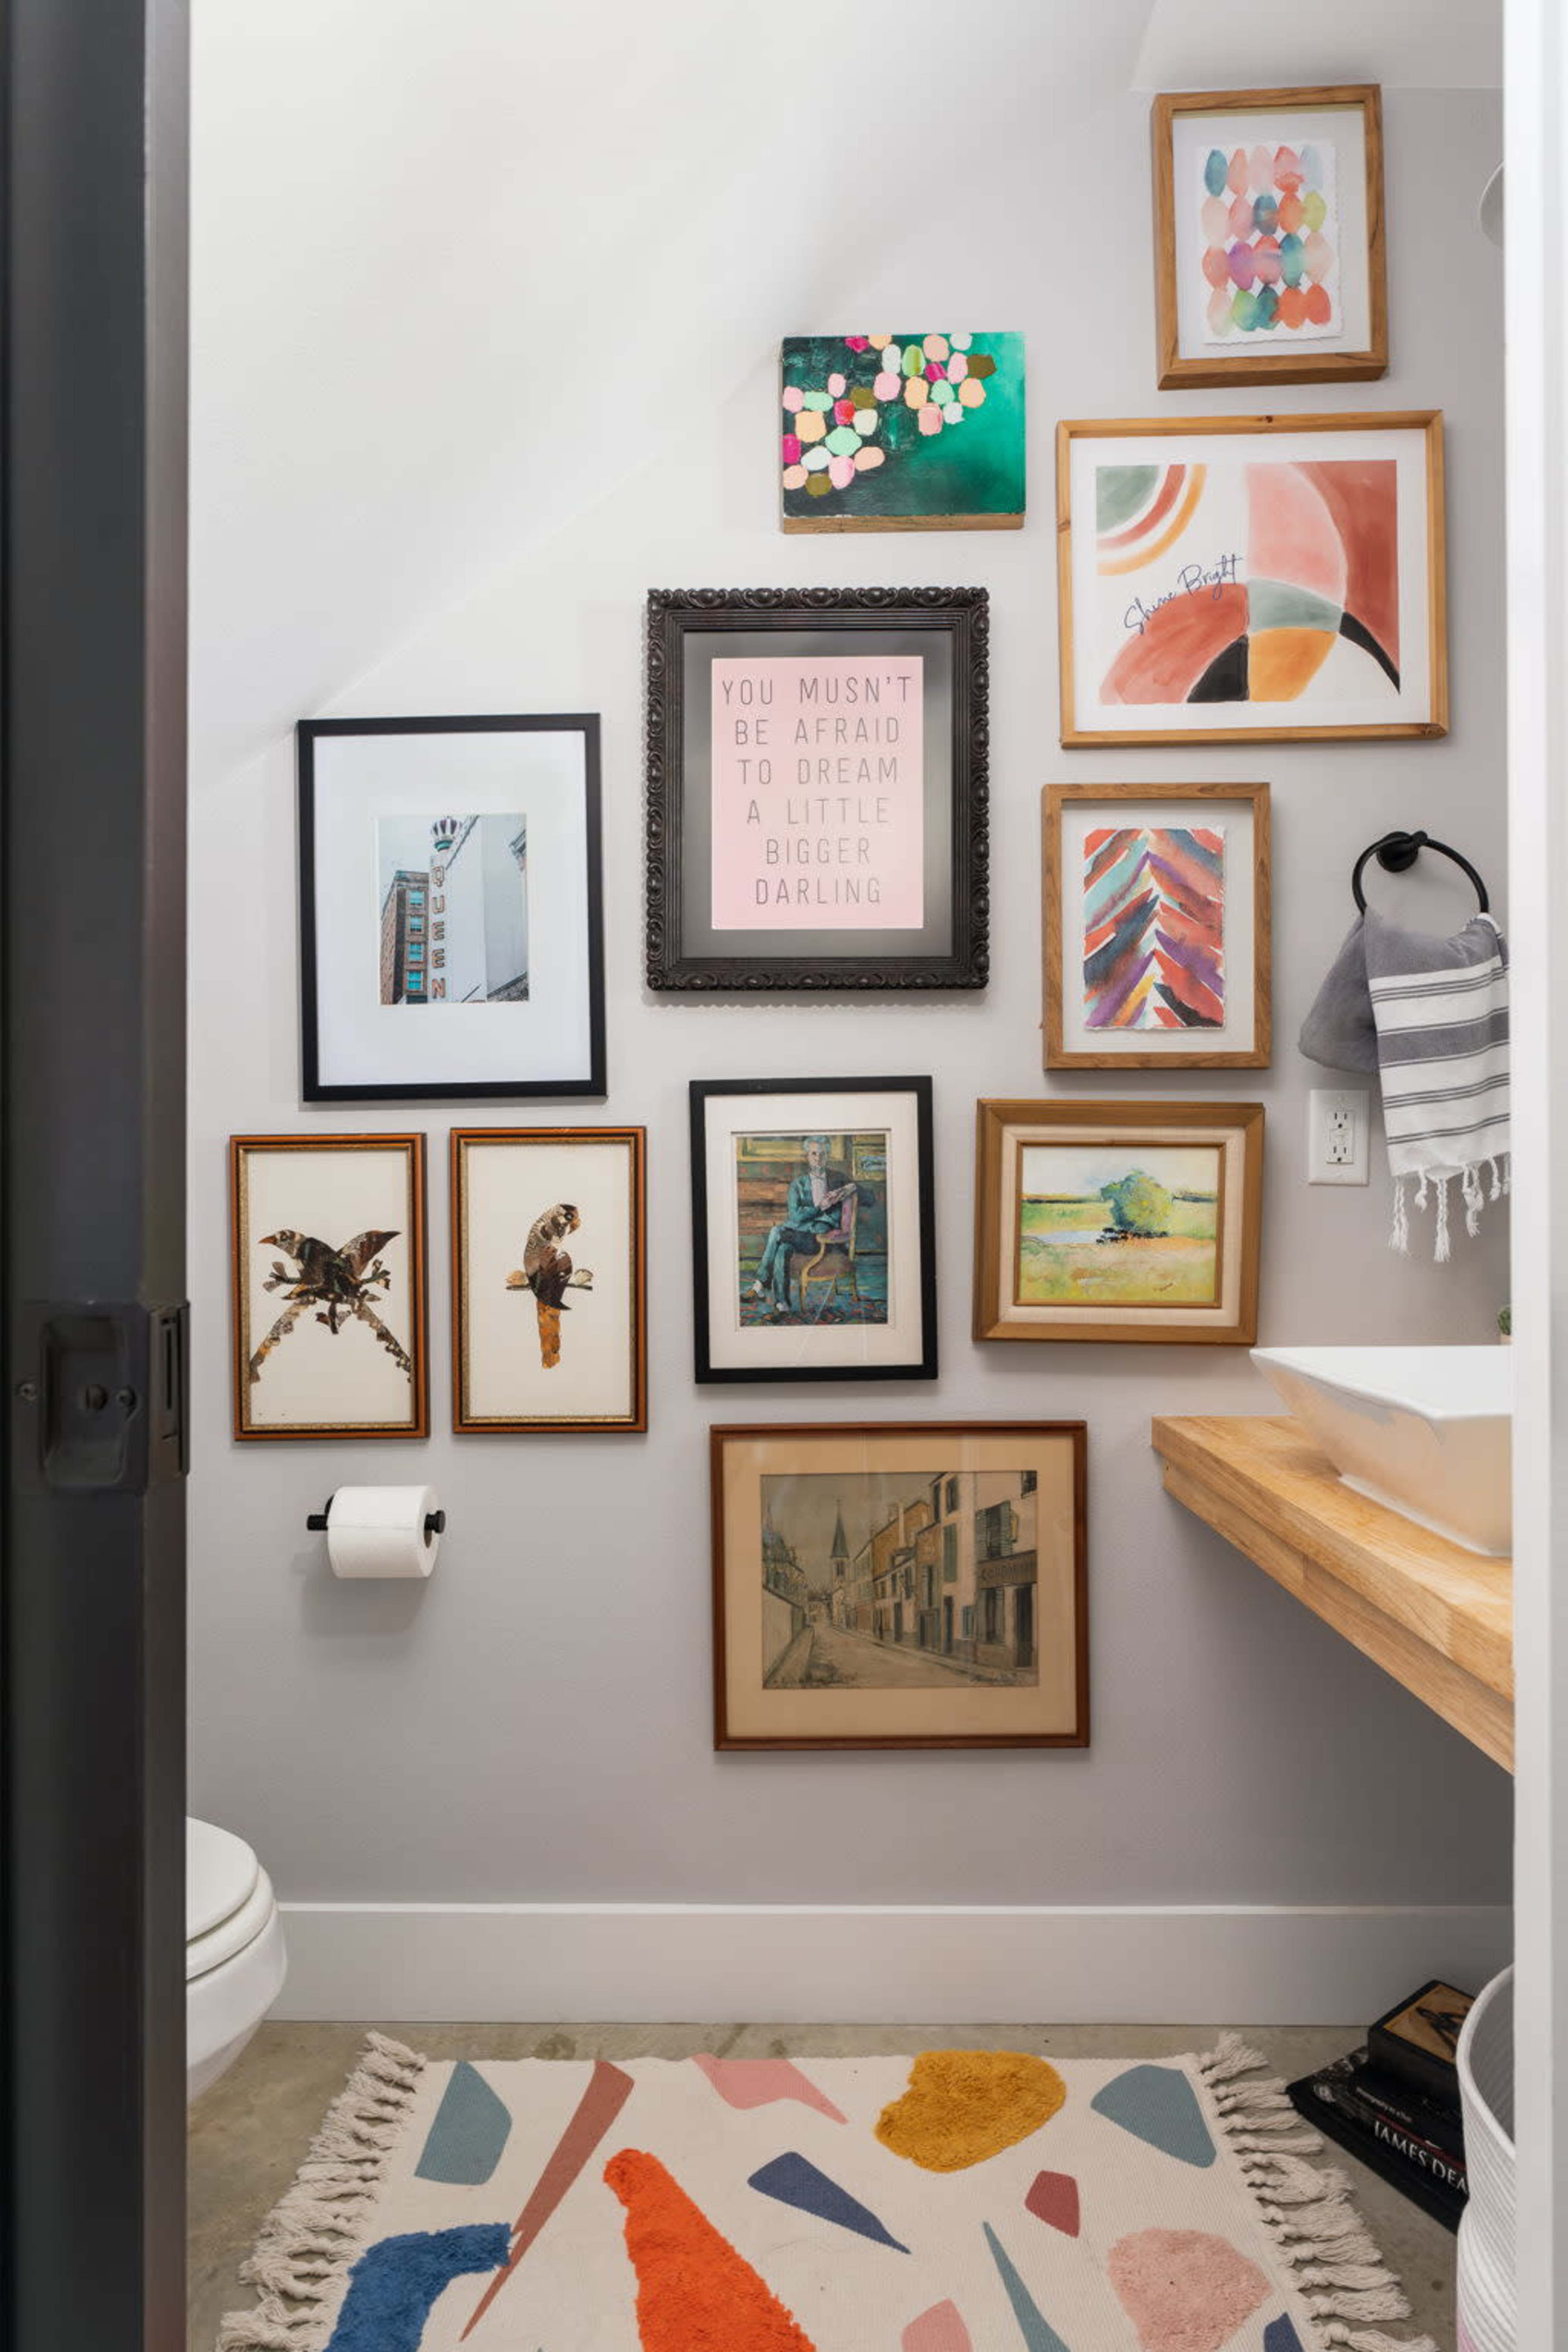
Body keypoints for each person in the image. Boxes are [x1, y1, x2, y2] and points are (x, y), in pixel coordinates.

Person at [747, 1135, 861, 1316]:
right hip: (800, 1236)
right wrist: (819, 1208)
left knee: (777, 1231)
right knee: (783, 1248)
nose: (818, 1158)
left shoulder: (838, 1179)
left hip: (822, 1239)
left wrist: (851, 1188)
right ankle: (781, 1306)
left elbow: (867, 1195)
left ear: (828, 1156)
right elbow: (796, 1217)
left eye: (822, 1154)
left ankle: (761, 1284)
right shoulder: (797, 1185)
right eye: (814, 1154)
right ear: (808, 1157)